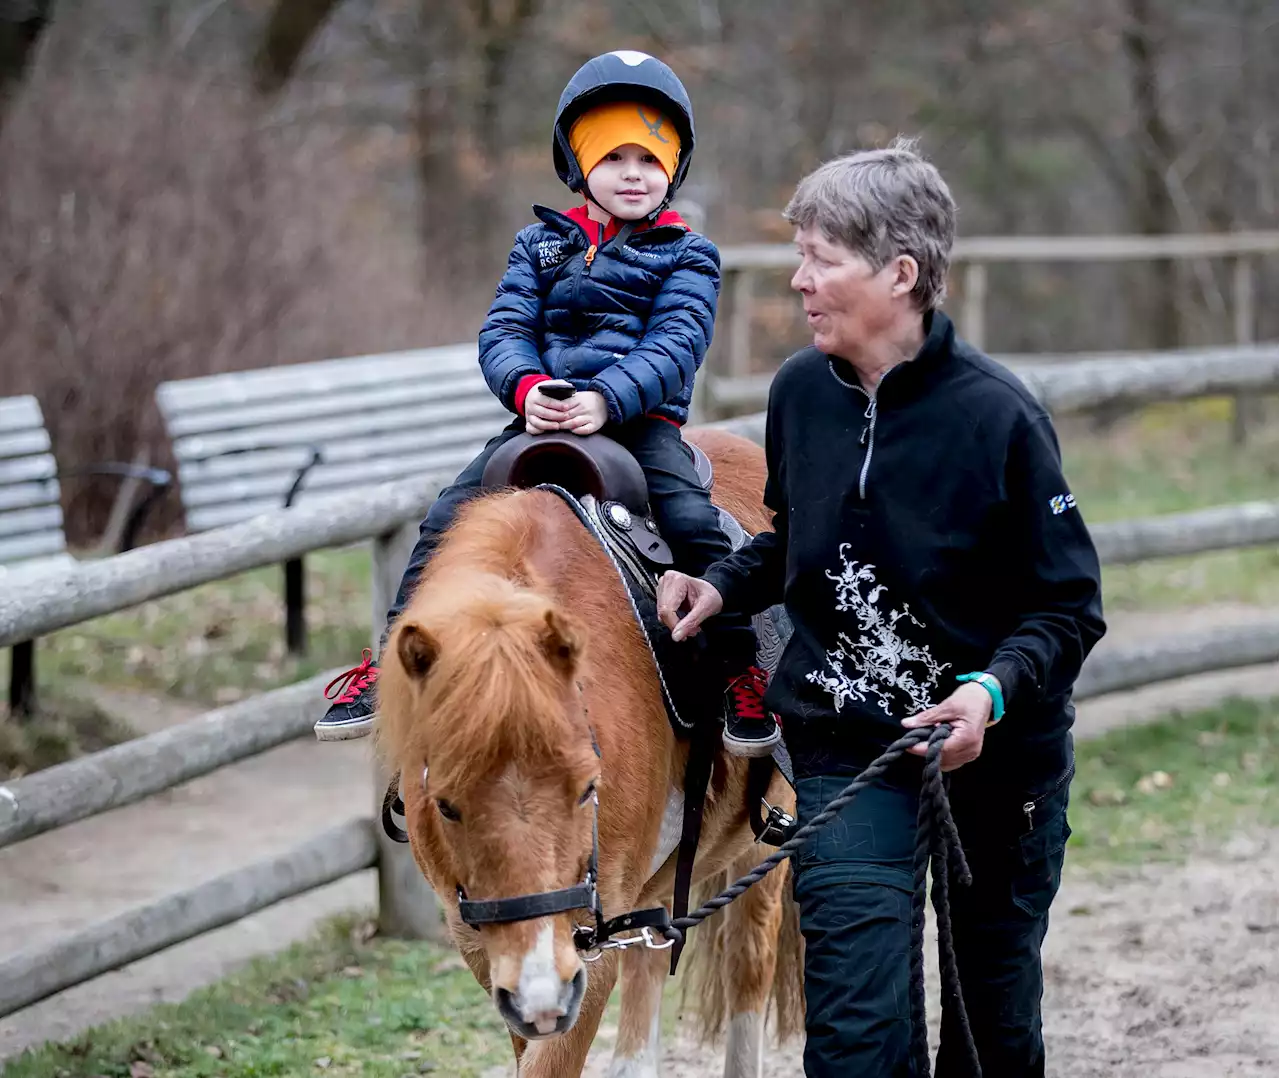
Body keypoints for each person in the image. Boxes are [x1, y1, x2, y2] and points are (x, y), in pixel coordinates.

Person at [656, 138, 1106, 1076]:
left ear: (901, 273)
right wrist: (724, 583)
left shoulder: (998, 418)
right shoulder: (796, 395)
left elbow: (1068, 605)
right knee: (858, 1037)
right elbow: (796, 539)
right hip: (845, 747)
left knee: (990, 1029)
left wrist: (988, 692)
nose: (798, 280)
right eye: (801, 255)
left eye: (821, 257)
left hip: (999, 765)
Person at [315, 50, 777, 757]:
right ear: (577, 162)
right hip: (542, 416)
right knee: (448, 518)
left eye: (650, 159)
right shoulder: (539, 246)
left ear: (673, 170)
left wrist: (607, 399)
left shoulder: (688, 255)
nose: (632, 172)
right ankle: (393, 658)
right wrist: (529, 392)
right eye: (614, 156)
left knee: (693, 522)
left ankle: (739, 669)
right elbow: (503, 330)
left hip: (640, 424)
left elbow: (677, 342)